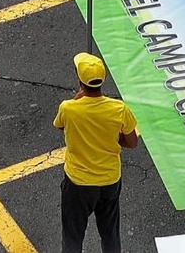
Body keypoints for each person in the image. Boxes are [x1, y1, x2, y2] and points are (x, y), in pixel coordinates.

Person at [53, 52, 138, 253]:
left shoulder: (69, 108)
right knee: (110, 234)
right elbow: (132, 142)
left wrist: (77, 99)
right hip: (109, 180)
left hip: (78, 183)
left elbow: (60, 126)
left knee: (73, 237)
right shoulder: (119, 109)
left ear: (79, 79)